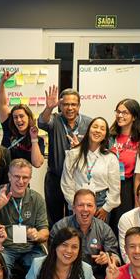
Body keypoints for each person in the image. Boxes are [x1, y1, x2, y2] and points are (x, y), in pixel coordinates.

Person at [0, 159, 49, 279]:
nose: (20, 181)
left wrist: (36, 235)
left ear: (30, 178)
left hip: (29, 248)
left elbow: (45, 231)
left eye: (25, 177)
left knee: (43, 271)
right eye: (16, 176)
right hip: (2, 247)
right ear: (9, 177)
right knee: (0, 272)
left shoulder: (36, 199)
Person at [38, 87, 91, 224]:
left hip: (78, 180)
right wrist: (49, 108)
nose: (70, 108)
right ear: (60, 105)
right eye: (66, 104)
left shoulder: (89, 124)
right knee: (54, 219)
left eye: (73, 104)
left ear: (79, 106)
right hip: (55, 178)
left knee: (76, 218)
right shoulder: (54, 119)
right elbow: (42, 122)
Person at [52, 189, 120, 279]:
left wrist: (108, 258)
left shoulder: (104, 229)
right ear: (73, 207)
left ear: (95, 208)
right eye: (80, 205)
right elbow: (52, 256)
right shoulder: (60, 227)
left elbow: (116, 257)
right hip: (66, 276)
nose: (85, 209)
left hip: (95, 277)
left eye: (89, 205)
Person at [60, 117, 121, 221]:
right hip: (78, 200)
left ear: (105, 135)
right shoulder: (73, 154)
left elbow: (115, 188)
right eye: (95, 127)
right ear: (88, 130)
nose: (98, 130)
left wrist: (106, 208)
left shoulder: (110, 157)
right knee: (76, 235)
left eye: (102, 129)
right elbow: (67, 183)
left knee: (98, 235)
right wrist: (74, 205)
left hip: (101, 203)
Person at [0, 71, 45, 168]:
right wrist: (2, 83)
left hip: (21, 180)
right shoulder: (8, 129)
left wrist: (34, 139)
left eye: (22, 116)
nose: (18, 120)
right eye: (15, 117)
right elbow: (2, 104)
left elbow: (37, 163)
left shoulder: (38, 140)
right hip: (3, 178)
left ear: (29, 117)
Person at [110, 99, 140, 224]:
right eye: (118, 112)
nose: (120, 115)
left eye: (125, 113)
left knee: (124, 222)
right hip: (109, 185)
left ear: (134, 117)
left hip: (128, 186)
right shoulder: (109, 137)